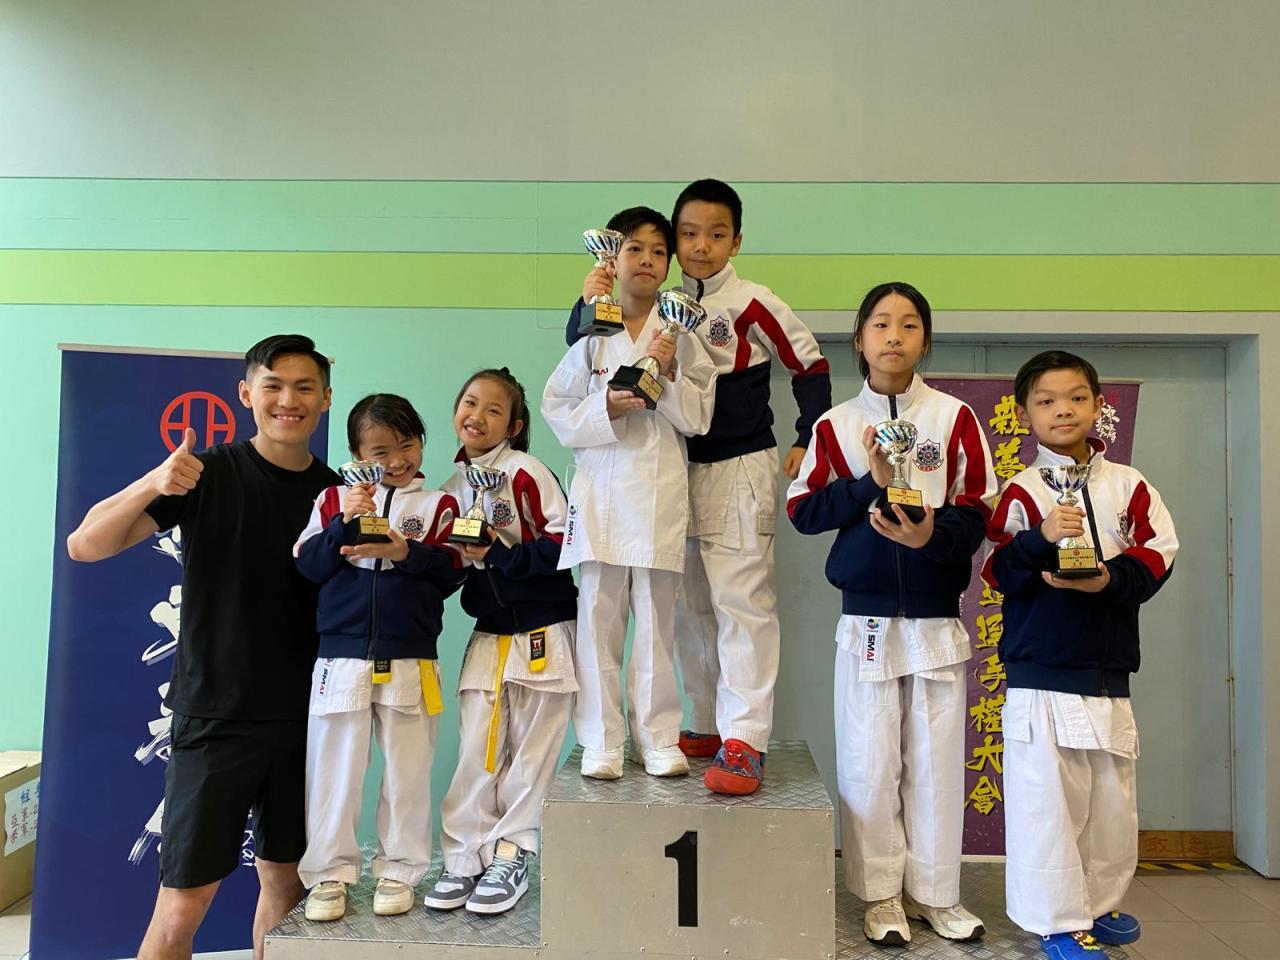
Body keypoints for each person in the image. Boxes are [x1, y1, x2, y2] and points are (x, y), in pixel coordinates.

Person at [66, 334, 337, 960]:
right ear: (246, 394)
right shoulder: (205, 474)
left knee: (286, 882)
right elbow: (85, 544)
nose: (288, 400)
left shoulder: (336, 495)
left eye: (304, 388)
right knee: (182, 904)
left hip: (307, 718)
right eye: (273, 386)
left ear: (324, 399)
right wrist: (153, 481)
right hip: (215, 714)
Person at [568, 178, 831, 793]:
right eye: (688, 234)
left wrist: (807, 437)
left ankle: (745, 739)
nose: (701, 246)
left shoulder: (754, 301)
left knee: (743, 604)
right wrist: (588, 300)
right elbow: (583, 352)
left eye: (716, 235)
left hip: (739, 466)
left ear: (736, 241)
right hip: (673, 469)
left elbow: (811, 365)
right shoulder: (659, 305)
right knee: (686, 607)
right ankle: (706, 723)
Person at [787, 284, 995, 946]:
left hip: (935, 619)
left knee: (936, 764)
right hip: (867, 623)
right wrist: (869, 484)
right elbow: (803, 510)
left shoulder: (954, 418)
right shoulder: (835, 425)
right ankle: (880, 896)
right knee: (870, 761)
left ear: (924, 341)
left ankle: (937, 895)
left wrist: (932, 534)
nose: (894, 336)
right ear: (860, 340)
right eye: (881, 324)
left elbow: (978, 510)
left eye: (909, 325)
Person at [984, 350, 1177, 959]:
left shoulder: (1129, 485)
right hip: (1041, 669)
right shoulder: (1021, 490)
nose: (1062, 410)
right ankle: (1056, 921)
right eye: (1046, 401)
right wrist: (1042, 538)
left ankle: (1097, 903)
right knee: (1049, 804)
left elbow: (1159, 554)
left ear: (1098, 406)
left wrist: (1107, 581)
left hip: (1109, 668)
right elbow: (997, 571)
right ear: (1025, 414)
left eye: (1075, 398)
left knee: (1111, 804)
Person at [543, 205, 716, 780]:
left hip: (658, 493)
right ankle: (601, 740)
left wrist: (666, 375)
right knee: (598, 622)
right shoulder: (593, 330)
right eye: (635, 249)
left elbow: (698, 419)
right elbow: (557, 408)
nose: (646, 260)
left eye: (658, 252)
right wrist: (606, 408)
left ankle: (659, 737)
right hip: (600, 495)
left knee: (658, 625)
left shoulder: (682, 335)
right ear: (612, 259)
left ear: (668, 265)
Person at [294, 394, 463, 921]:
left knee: (409, 772)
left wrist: (406, 553)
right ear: (357, 455)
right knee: (333, 772)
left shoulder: (439, 505)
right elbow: (307, 566)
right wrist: (344, 523)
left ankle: (400, 870)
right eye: (380, 451)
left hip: (412, 658)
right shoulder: (331, 500)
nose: (396, 460)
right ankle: (328, 874)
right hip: (340, 659)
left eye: (407, 445)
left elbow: (454, 572)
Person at [425, 368, 578, 916]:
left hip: (544, 626)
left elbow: (566, 540)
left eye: (494, 410)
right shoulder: (449, 489)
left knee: (532, 750)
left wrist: (501, 554)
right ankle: (464, 857)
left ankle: (512, 854)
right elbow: (445, 564)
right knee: (477, 747)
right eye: (470, 403)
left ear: (513, 426)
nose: (478, 416)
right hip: (489, 629)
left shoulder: (527, 472)